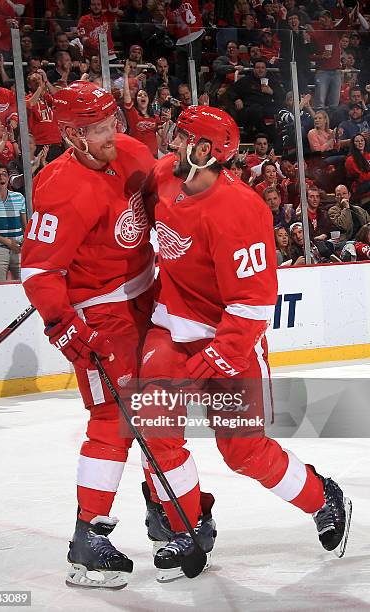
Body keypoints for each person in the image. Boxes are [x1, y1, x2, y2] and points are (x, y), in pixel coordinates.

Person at [140, 106, 352, 579]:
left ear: (203, 151)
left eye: (181, 138)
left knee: (244, 452)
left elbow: (253, 303)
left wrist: (218, 355)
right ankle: (185, 526)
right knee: (155, 430)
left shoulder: (240, 211)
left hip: (227, 340)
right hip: (169, 326)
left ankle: (322, 497)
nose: (171, 143)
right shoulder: (163, 177)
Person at [20, 81, 156, 589]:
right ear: (72, 135)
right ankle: (89, 538)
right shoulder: (59, 189)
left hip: (146, 295)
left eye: (112, 123)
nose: (111, 136)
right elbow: (38, 272)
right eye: (98, 130)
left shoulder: (133, 151)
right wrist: (62, 321)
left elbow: (160, 206)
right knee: (112, 417)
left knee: (159, 405)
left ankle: (165, 508)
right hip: (101, 313)